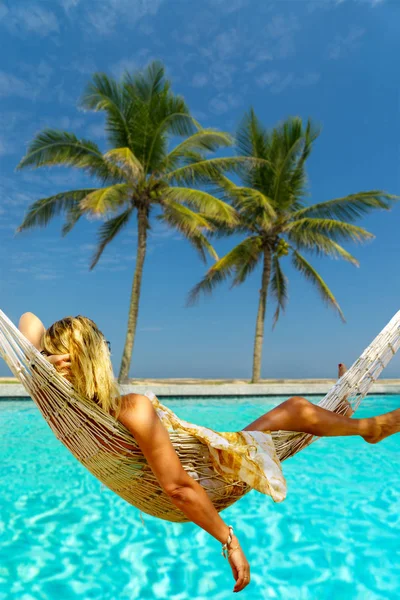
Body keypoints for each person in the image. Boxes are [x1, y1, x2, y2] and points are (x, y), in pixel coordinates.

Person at [18, 312, 400, 594]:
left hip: (184, 474)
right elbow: (180, 488)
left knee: (292, 418)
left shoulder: (52, 400)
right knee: (297, 411)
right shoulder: (130, 409)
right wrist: (229, 541)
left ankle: (343, 417)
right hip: (207, 481)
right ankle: (370, 428)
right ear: (97, 356)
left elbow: (28, 321)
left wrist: (44, 362)